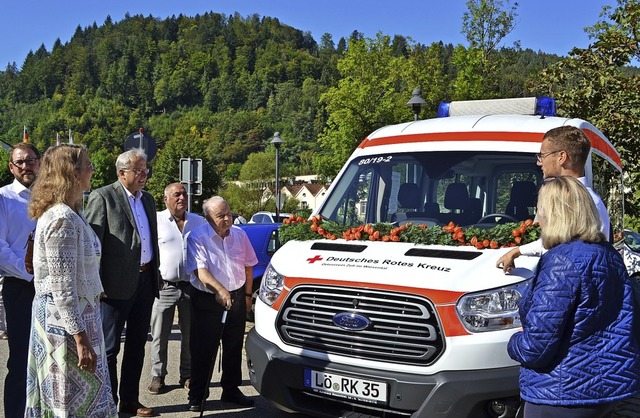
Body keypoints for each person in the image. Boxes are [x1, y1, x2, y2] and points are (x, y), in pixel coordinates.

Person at [507, 176, 640, 417]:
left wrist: (515, 341)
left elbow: (536, 347)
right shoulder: (607, 254)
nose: (538, 218)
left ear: (554, 213)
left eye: (540, 209)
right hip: (605, 386)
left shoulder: (561, 261)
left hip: (561, 391)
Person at [24, 144, 117, 417]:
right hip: (64, 325)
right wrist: (81, 338)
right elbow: (62, 288)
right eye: (88, 165)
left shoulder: (71, 212)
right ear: (72, 173)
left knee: (77, 400)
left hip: (76, 317)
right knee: (66, 401)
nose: (92, 170)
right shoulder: (62, 218)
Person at [84, 148, 159, 417]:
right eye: (138, 170)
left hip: (146, 281)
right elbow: (92, 246)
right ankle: (108, 402)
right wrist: (96, 285)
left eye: (145, 170)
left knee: (137, 344)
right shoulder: (103, 197)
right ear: (121, 172)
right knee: (109, 348)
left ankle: (129, 399)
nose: (144, 175)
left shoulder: (148, 200)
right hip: (113, 287)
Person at [497, 126, 610, 273]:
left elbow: (574, 258)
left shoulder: (584, 203)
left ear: (561, 157)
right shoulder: (576, 199)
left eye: (542, 155)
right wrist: (517, 251)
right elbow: (557, 242)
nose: (539, 162)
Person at [185, 196, 258, 412]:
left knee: (234, 345)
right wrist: (219, 289)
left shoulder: (240, 234)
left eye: (229, 213)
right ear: (208, 218)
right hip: (208, 299)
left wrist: (246, 297)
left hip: (235, 296)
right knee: (204, 348)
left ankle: (231, 389)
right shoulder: (197, 237)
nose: (227, 218)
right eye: (221, 216)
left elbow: (248, 266)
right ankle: (198, 395)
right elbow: (201, 271)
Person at [147, 183, 207, 395]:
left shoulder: (198, 221)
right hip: (165, 287)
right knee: (159, 334)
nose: (182, 197)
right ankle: (158, 375)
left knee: (190, 335)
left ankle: (187, 375)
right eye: (176, 194)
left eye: (184, 194)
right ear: (166, 199)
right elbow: (148, 250)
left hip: (191, 286)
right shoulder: (156, 220)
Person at [0, 142, 40, 418]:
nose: (26, 166)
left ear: (39, 163)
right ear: (12, 167)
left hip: (50, 290)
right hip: (20, 289)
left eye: (31, 160)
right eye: (21, 162)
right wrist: (29, 273)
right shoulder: (3, 198)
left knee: (48, 360)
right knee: (21, 361)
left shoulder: (50, 197)